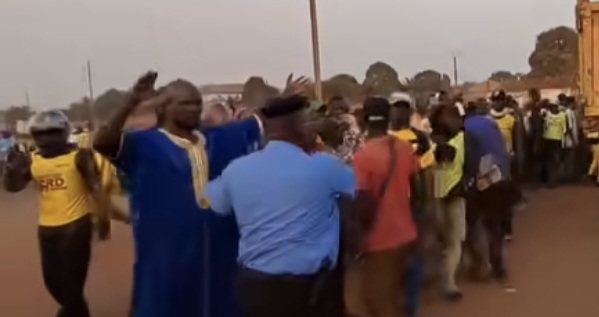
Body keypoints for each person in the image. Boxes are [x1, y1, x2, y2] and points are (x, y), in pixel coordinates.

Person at [92, 71, 311, 317]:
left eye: (198, 103)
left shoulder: (220, 140)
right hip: (166, 262)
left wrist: (285, 97)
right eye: (186, 103)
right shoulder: (143, 144)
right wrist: (129, 104)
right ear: (163, 108)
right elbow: (102, 143)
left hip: (220, 261)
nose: (195, 108)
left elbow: (260, 118)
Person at [205, 95, 355, 317]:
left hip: (255, 289)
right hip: (310, 291)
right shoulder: (326, 166)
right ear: (302, 128)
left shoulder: (236, 170)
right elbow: (359, 197)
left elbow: (212, 204)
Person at [2, 110, 109, 317]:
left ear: (64, 132)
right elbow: (13, 187)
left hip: (75, 226)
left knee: (71, 286)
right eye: (40, 134)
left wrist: (103, 219)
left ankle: (72, 312)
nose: (46, 139)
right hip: (47, 228)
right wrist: (10, 170)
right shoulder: (32, 160)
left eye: (52, 133)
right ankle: (76, 312)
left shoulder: (79, 156)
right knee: (52, 282)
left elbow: (96, 189)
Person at [348, 97, 420, 317]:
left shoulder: (362, 157)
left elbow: (361, 202)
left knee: (379, 303)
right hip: (406, 232)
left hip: (380, 240)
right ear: (388, 119)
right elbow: (416, 186)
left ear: (363, 121)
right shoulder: (404, 147)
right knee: (391, 296)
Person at [387, 92, 435, 317]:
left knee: (414, 257)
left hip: (413, 204)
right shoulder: (380, 137)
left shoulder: (421, 137)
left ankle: (411, 306)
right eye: (396, 106)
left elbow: (425, 173)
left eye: (404, 107)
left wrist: (427, 205)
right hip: (387, 208)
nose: (400, 111)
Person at [463, 101, 515, 285]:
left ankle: (480, 267)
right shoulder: (491, 123)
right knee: (495, 226)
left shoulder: (465, 129)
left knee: (475, 224)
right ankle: (498, 265)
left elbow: (470, 159)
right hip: (502, 175)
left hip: (483, 179)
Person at [430, 103, 468, 301]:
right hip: (454, 194)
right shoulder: (462, 139)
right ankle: (449, 282)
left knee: (443, 239)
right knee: (454, 241)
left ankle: (445, 278)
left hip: (435, 194)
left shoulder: (428, 141)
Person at [489, 90, 525, 239]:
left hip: (507, 162)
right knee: (491, 197)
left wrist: (519, 160)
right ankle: (494, 227)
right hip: (490, 162)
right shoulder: (487, 119)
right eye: (495, 100)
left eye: (500, 100)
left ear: (504, 101)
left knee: (506, 197)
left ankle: (507, 229)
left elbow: (518, 142)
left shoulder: (511, 119)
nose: (497, 102)